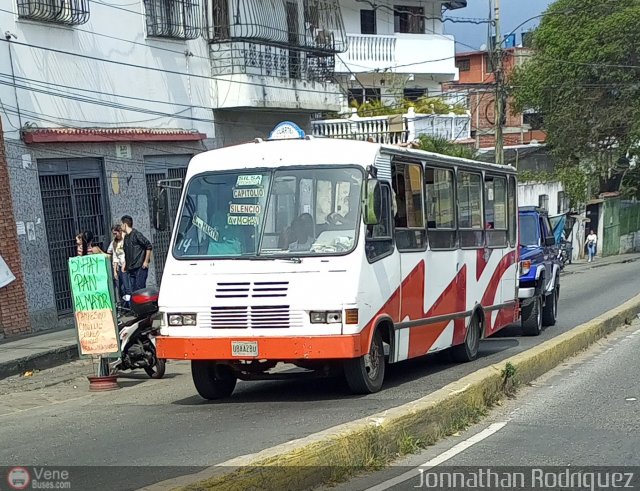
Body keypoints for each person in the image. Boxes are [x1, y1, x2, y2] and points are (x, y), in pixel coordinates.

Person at [121, 215, 153, 293]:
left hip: (139, 267)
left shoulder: (136, 234)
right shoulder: (126, 237)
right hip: (131, 268)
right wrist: (125, 264)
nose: (120, 227)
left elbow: (148, 246)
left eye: (121, 224)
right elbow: (126, 251)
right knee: (133, 291)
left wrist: (146, 261)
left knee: (140, 289)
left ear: (125, 225)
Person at [107, 224, 130, 305]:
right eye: (113, 234)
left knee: (127, 287)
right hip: (119, 266)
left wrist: (125, 264)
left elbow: (127, 253)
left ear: (120, 231)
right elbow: (115, 256)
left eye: (115, 233)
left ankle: (130, 306)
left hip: (125, 265)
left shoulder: (125, 240)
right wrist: (115, 271)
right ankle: (124, 306)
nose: (115, 235)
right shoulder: (114, 243)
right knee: (120, 288)